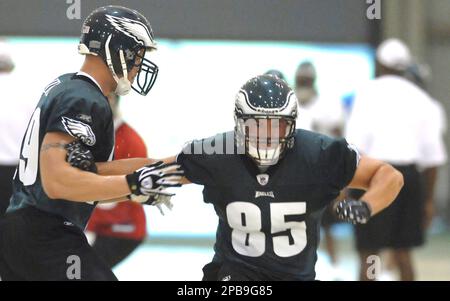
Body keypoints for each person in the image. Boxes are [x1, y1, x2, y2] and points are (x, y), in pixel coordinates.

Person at [0, 6, 182, 281]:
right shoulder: (85, 100)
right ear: (117, 49)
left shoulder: (67, 86)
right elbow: (56, 182)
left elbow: (89, 176)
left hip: (26, 232)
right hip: (45, 234)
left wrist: (178, 166)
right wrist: (134, 185)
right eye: (138, 53)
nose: (139, 64)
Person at [173, 74, 403, 280]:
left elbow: (389, 176)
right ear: (240, 124)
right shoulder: (220, 150)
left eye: (277, 125)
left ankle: (332, 266)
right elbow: (156, 170)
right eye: (257, 125)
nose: (267, 135)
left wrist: (366, 206)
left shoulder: (316, 154)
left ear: (292, 124)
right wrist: (141, 182)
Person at [345, 38, 447, 281]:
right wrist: (429, 200)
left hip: (373, 177)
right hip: (409, 180)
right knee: (403, 253)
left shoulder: (367, 93)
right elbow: (433, 159)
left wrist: (347, 187)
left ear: (380, 64)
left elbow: (354, 147)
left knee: (370, 253)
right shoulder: (422, 99)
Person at [85, 93, 149, 268]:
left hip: (121, 230)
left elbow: (132, 193)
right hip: (94, 224)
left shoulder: (130, 142)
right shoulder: (85, 135)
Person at [294, 61, 346, 274]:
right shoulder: (289, 103)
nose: (305, 84)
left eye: (307, 81)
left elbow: (338, 136)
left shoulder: (327, 105)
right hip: (295, 174)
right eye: (302, 81)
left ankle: (334, 268)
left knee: (327, 225)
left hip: (321, 173)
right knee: (296, 226)